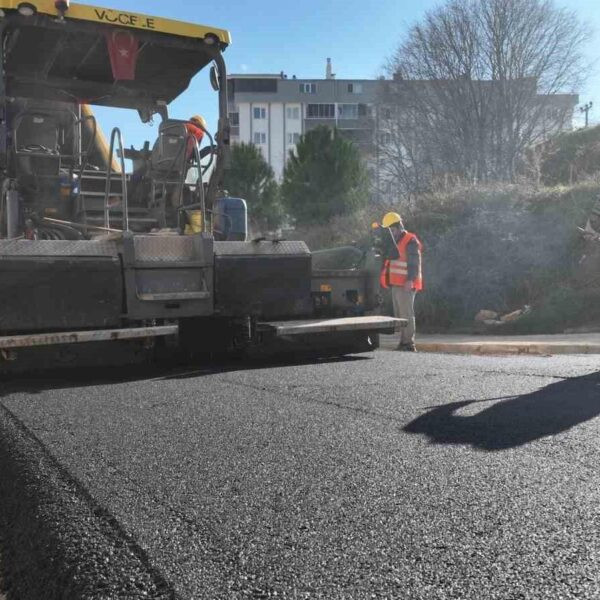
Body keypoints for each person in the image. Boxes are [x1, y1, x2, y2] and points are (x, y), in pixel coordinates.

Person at [379, 211, 423, 352]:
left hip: (406, 284)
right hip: (397, 284)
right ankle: (403, 343)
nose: (391, 233)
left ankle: (408, 344)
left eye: (392, 230)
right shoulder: (395, 241)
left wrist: (410, 280)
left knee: (406, 314)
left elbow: (414, 262)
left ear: (398, 227)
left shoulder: (410, 240)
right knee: (400, 315)